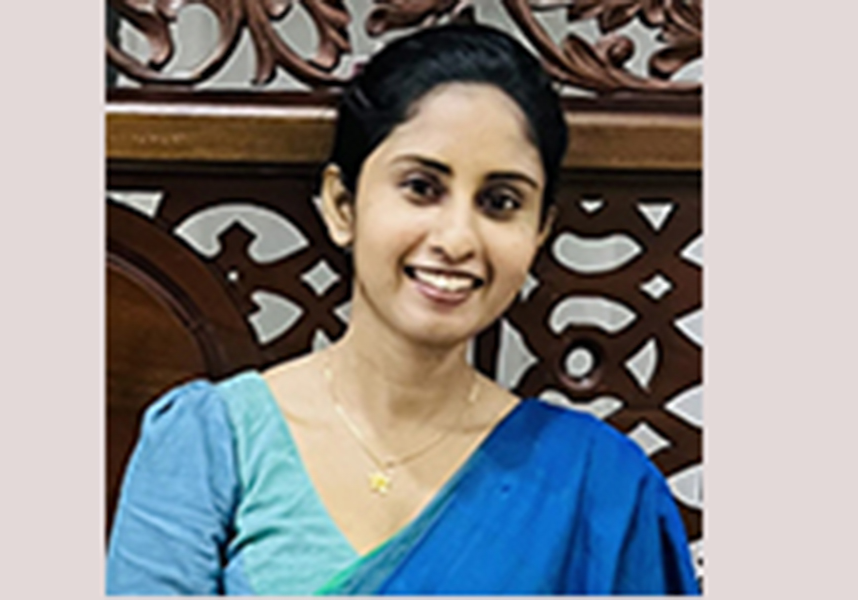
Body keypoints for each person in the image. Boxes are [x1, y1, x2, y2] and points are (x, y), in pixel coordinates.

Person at [106, 23, 699, 595]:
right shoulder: (214, 443)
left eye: (500, 202)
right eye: (422, 187)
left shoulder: (600, 490)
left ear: (539, 231)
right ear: (343, 205)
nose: (458, 237)